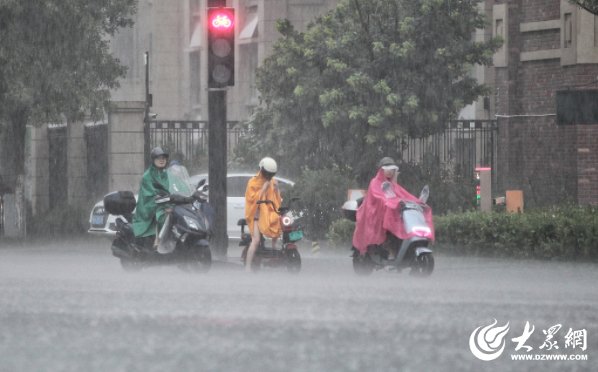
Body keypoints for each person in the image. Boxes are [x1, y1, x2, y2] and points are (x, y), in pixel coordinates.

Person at [352, 157, 434, 260]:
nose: (390, 172)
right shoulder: (375, 182)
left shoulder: (392, 185)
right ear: (381, 170)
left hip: (391, 214)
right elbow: (379, 198)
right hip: (376, 215)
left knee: (403, 225)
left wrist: (418, 202)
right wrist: (392, 202)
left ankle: (403, 253)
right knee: (390, 227)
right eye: (387, 169)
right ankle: (390, 251)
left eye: (392, 169)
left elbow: (405, 195)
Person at [244, 157, 282, 271]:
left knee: (278, 225)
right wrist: (263, 189)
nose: (269, 177)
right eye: (267, 174)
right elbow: (253, 200)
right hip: (256, 216)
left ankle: (275, 252)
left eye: (271, 175)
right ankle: (248, 267)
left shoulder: (272, 182)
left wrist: (276, 190)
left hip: (269, 214)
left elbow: (277, 200)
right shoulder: (253, 182)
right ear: (261, 170)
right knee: (255, 240)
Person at [132, 146, 171, 249]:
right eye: (159, 158)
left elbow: (169, 189)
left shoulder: (165, 174)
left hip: (163, 203)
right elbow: (151, 195)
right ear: (153, 160)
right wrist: (165, 204)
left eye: (164, 158)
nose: (162, 160)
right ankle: (158, 241)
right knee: (162, 216)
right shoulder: (147, 176)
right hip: (148, 206)